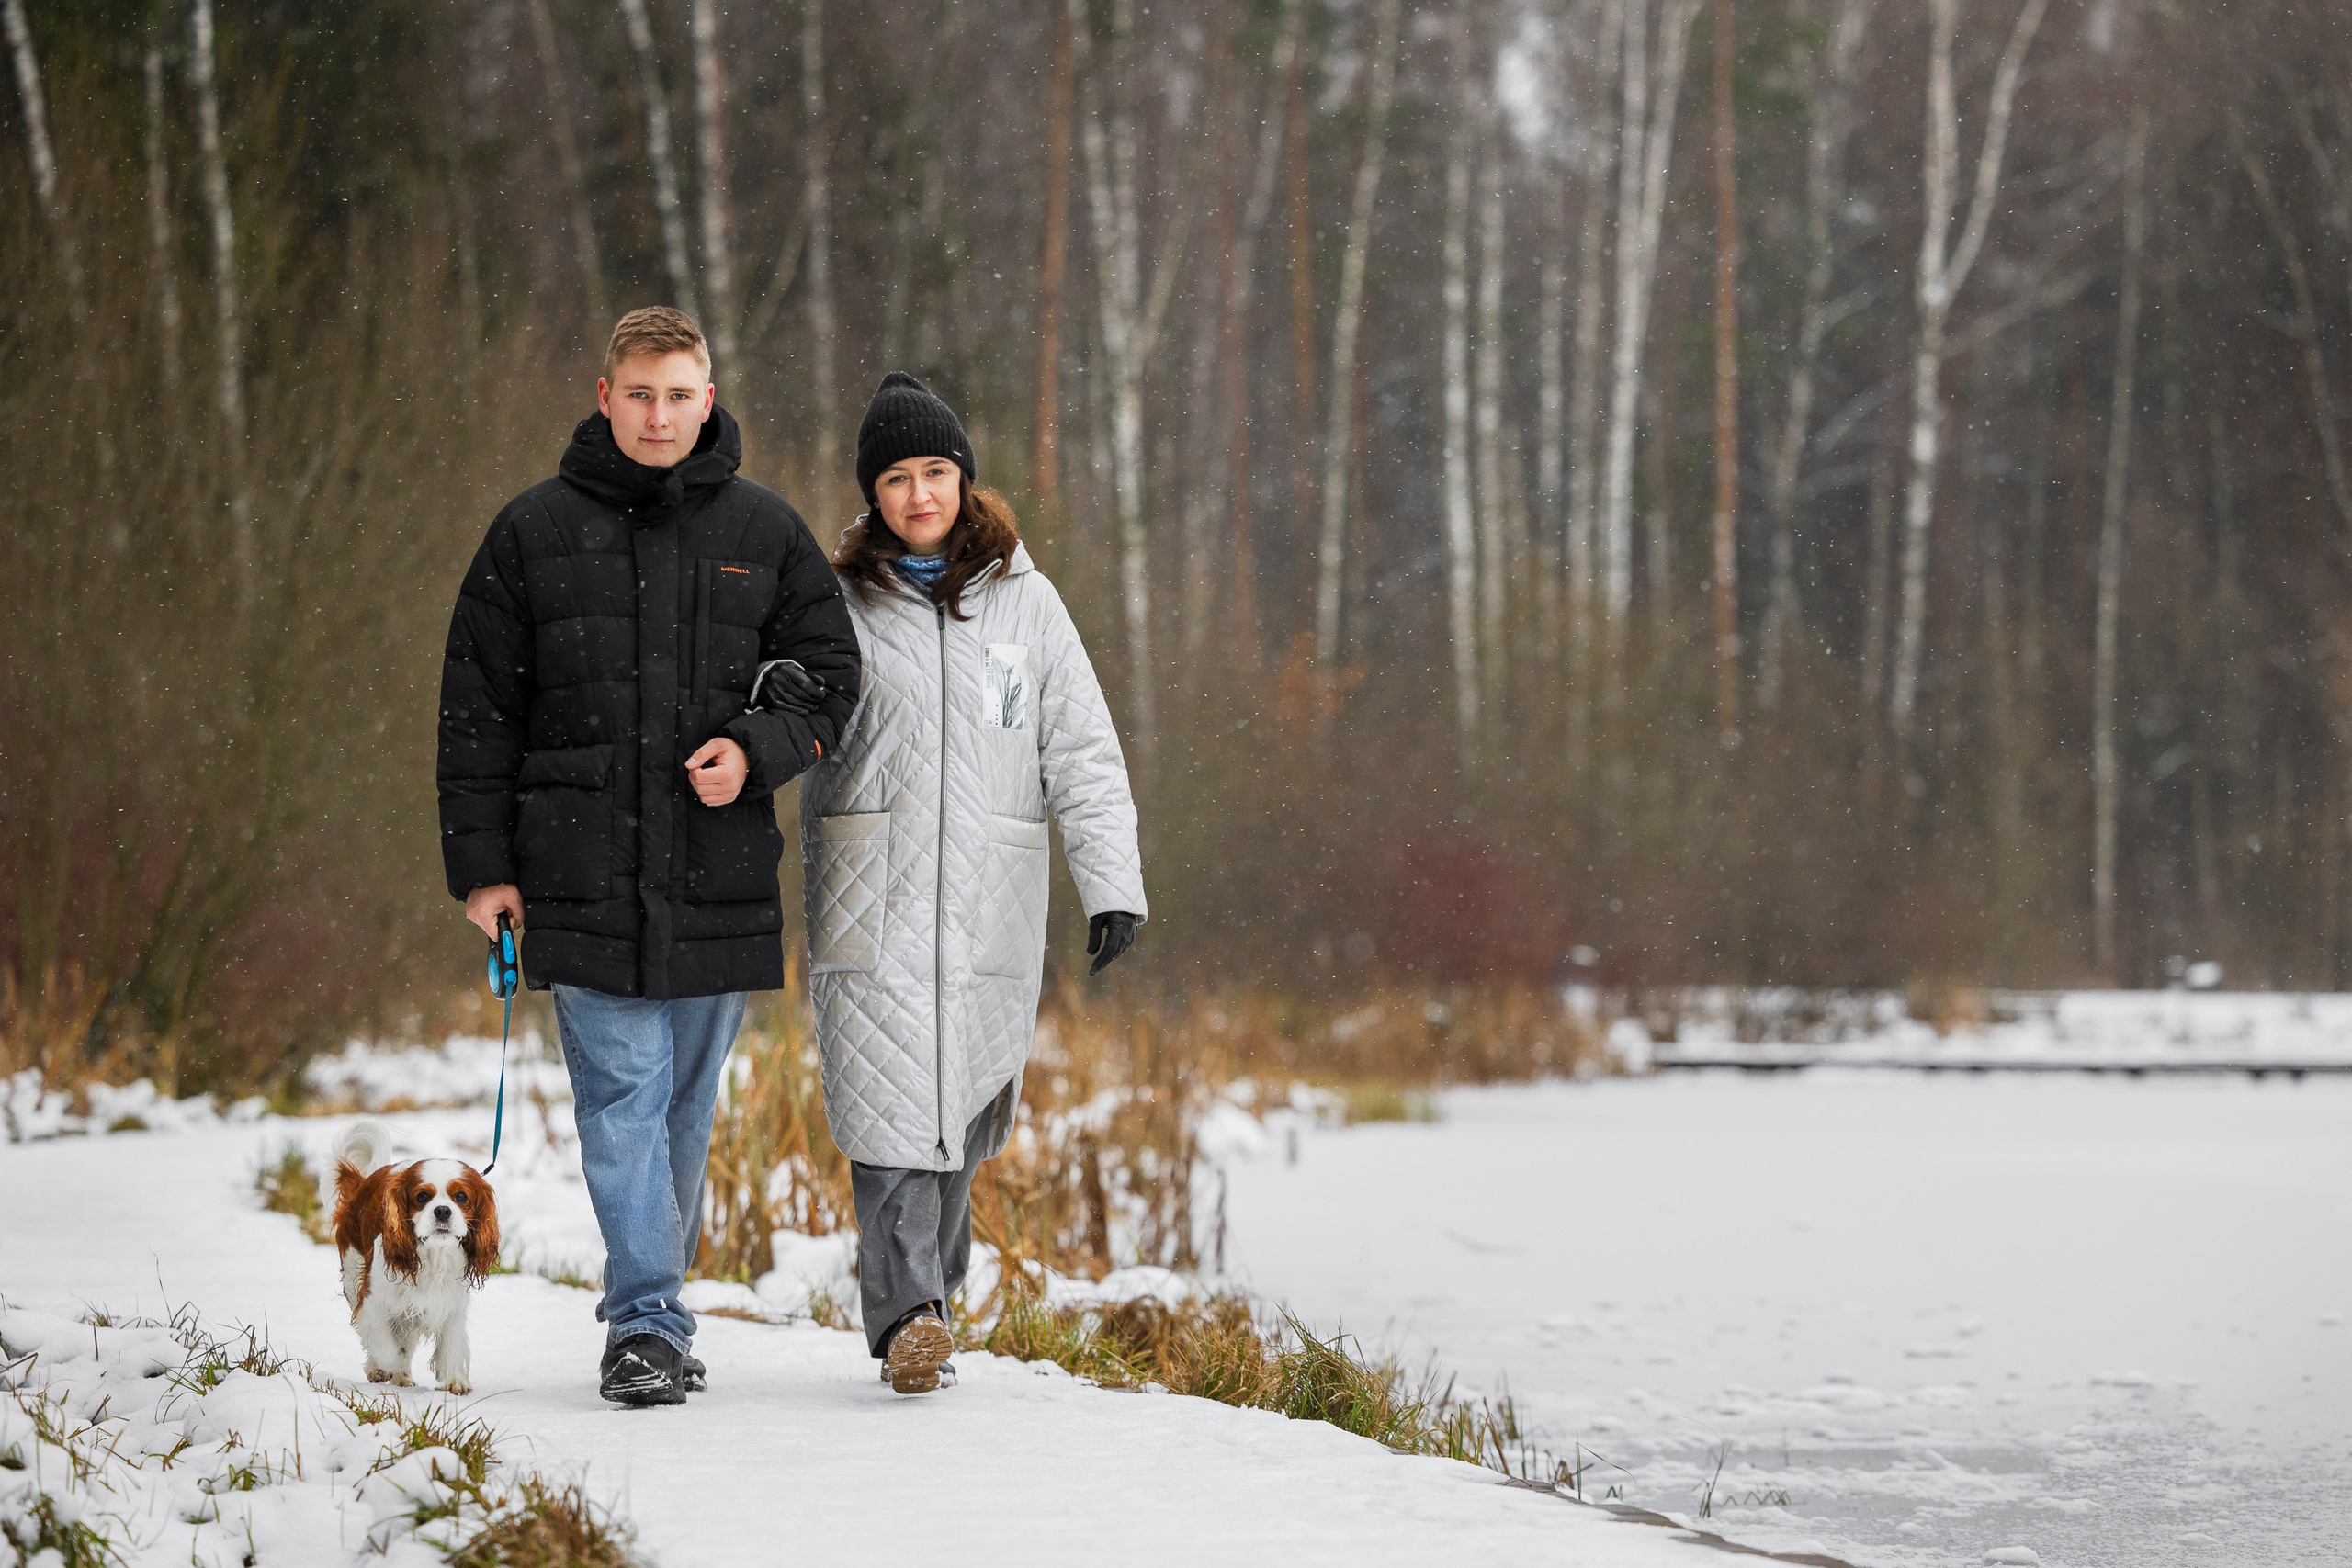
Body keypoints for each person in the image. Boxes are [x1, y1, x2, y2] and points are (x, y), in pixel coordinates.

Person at [436, 307, 860, 1407]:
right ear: (604, 395)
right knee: (622, 1097)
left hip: (715, 873)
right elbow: (476, 712)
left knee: (680, 1105)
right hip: (573, 870)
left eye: (679, 394)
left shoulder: (766, 531)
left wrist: (762, 749)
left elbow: (831, 671)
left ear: (707, 400)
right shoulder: (529, 533)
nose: (659, 414)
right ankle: (647, 1324)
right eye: (640, 394)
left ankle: (653, 1307)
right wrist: (484, 870)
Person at [801, 373, 1146, 1395]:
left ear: (965, 480)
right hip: (875, 891)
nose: (918, 495)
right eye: (897, 478)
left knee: (959, 1102)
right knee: (889, 1100)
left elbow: (1079, 749)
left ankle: (930, 1309)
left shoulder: (1026, 604)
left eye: (935, 473)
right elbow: (785, 712)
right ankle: (907, 1311)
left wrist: (1111, 883)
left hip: (991, 900)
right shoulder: (838, 601)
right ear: (873, 493)